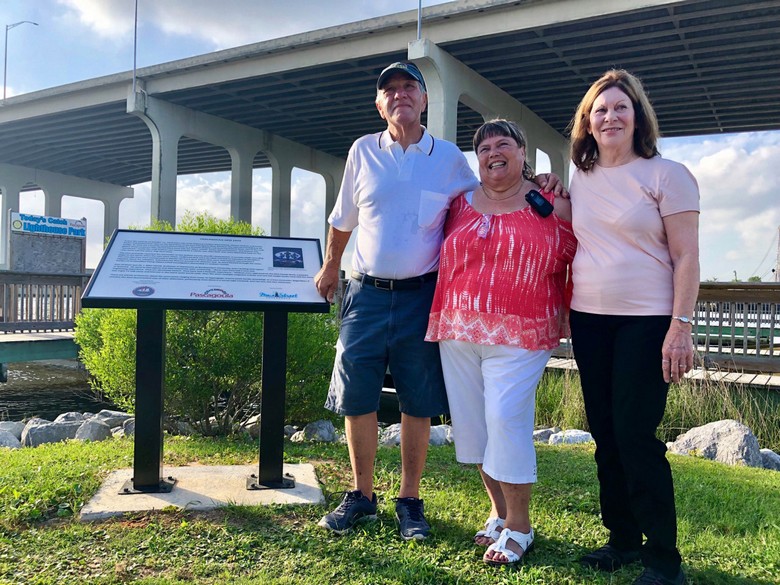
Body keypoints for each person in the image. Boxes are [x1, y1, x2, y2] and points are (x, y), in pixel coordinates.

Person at [314, 62, 563, 541]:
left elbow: (497, 188)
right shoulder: (362, 151)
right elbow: (342, 218)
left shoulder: (448, 157)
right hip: (363, 292)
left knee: (417, 398)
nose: (400, 95)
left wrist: (543, 182)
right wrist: (330, 266)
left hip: (422, 295)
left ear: (425, 99)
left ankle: (410, 499)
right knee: (357, 395)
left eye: (410, 87)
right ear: (379, 103)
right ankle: (362, 496)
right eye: (390, 90)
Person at [567, 69, 699, 585]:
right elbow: (569, 221)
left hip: (646, 322)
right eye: (600, 109)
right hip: (589, 320)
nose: (610, 116)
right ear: (588, 122)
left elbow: (687, 256)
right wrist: (544, 184)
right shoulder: (583, 176)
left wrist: (680, 326)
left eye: (620, 107)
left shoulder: (668, 174)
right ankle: (621, 540)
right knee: (604, 433)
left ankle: (664, 560)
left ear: (638, 115)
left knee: (634, 434)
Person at [425, 119, 575, 565]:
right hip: (457, 328)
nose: (494, 151)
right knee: (473, 426)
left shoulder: (550, 200)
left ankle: (520, 526)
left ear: (523, 151)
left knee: (506, 417)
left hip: (525, 329)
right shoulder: (458, 203)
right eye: (485, 146)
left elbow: (581, 250)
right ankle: (498, 510)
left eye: (503, 143)